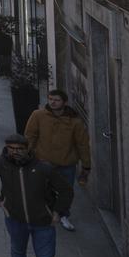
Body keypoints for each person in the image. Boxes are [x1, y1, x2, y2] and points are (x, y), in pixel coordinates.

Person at [23, 90, 90, 232]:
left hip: (66, 163)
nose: (53, 102)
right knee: (40, 189)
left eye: (57, 100)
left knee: (65, 191)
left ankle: (63, 215)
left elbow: (82, 144)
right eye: (50, 99)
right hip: (43, 161)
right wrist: (27, 156)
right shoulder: (38, 115)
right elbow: (30, 136)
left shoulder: (75, 121)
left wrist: (86, 165)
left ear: (64, 102)